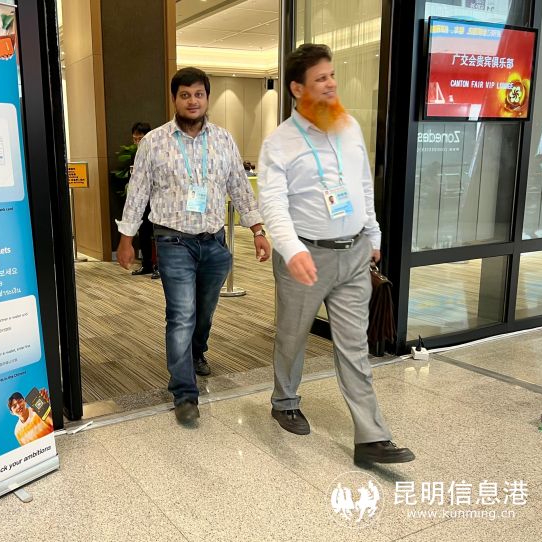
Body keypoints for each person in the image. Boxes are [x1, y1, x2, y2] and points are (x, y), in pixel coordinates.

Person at [257, 44, 414, 467]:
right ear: (297, 88)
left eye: (331, 75)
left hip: (354, 254)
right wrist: (292, 250)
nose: (331, 84)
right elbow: (273, 204)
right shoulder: (280, 143)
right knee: (292, 337)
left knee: (354, 346)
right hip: (305, 257)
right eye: (320, 78)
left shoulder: (348, 126)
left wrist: (373, 233)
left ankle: (371, 437)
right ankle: (284, 400)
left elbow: (362, 185)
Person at [117, 67, 271, 425]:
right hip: (173, 241)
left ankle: (197, 351)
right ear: (175, 99)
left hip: (214, 242)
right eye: (185, 95)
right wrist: (126, 239)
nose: (192, 101)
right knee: (181, 314)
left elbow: (239, 187)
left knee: (204, 311)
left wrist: (257, 229)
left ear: (207, 98)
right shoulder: (154, 142)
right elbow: (137, 192)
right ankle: (184, 393)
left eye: (198, 94)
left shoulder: (223, 140)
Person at [129, 122, 160, 279]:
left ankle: (160, 267)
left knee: (158, 234)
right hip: (143, 201)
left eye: (139, 139)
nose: (137, 142)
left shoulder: (158, 152)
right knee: (143, 233)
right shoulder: (136, 155)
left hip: (157, 201)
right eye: (134, 139)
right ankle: (146, 264)